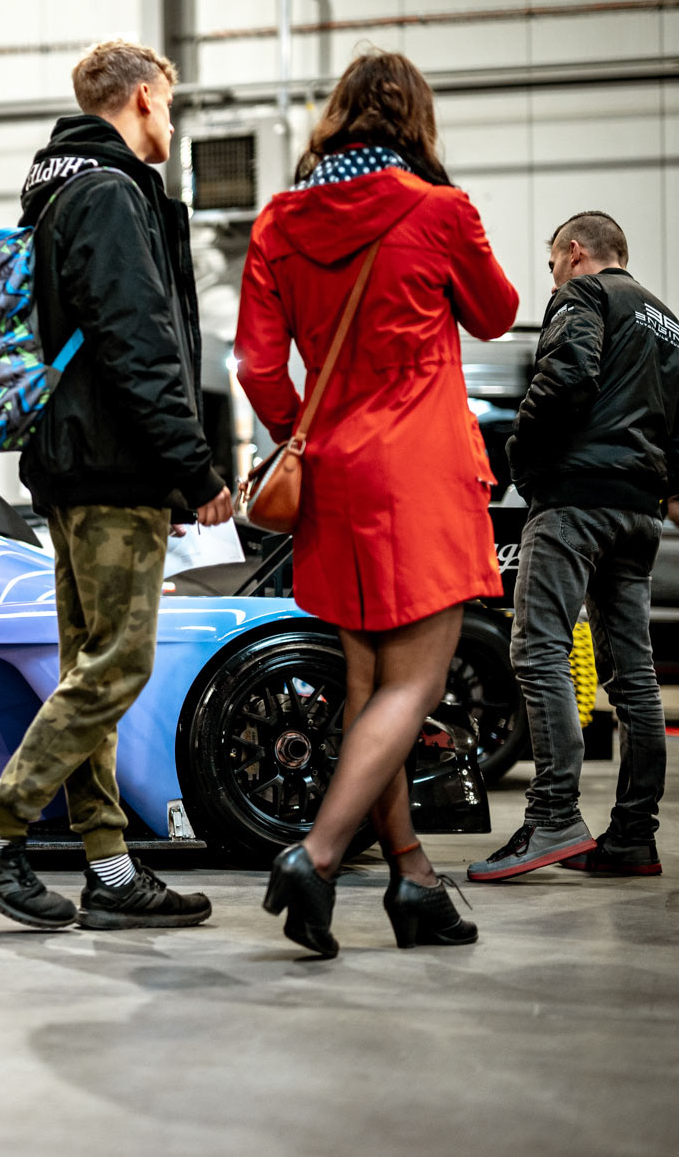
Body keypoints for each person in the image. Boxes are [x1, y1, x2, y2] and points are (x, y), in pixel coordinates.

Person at [0, 40, 228, 931]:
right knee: (116, 667)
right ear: (141, 98)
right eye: (169, 104)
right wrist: (192, 469)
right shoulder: (109, 193)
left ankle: (109, 868)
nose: (171, 120)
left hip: (73, 466)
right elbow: (140, 342)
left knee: (86, 671)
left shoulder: (62, 190)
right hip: (112, 468)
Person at [236, 51, 518, 955]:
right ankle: (315, 857)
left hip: (336, 474)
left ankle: (413, 880)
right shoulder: (439, 210)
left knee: (368, 687)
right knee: (417, 684)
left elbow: (256, 365)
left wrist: (303, 433)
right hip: (422, 468)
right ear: (413, 121)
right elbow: (497, 312)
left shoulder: (278, 221)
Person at [467, 213, 678, 881]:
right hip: (639, 512)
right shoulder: (668, 322)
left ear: (575, 252)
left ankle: (553, 816)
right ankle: (633, 837)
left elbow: (566, 377)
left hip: (575, 502)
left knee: (538, 651)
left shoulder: (584, 294)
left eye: (553, 265)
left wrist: (521, 462)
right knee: (635, 676)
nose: (553, 278)